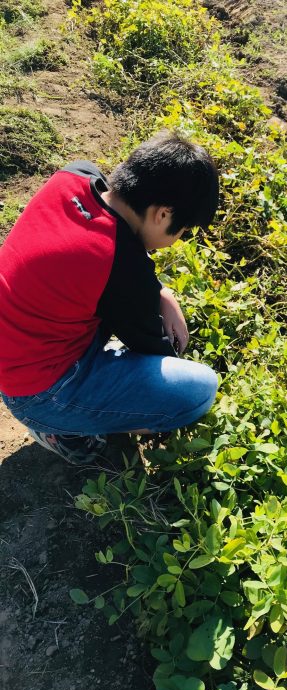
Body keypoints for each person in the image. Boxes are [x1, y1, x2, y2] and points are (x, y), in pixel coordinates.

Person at [0, 132, 220, 464]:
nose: (178, 239)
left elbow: (117, 259)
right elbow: (155, 348)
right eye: (182, 230)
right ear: (162, 215)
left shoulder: (75, 176)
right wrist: (156, 310)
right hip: (38, 393)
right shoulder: (117, 264)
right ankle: (60, 428)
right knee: (197, 391)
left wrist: (158, 290)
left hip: (16, 353)